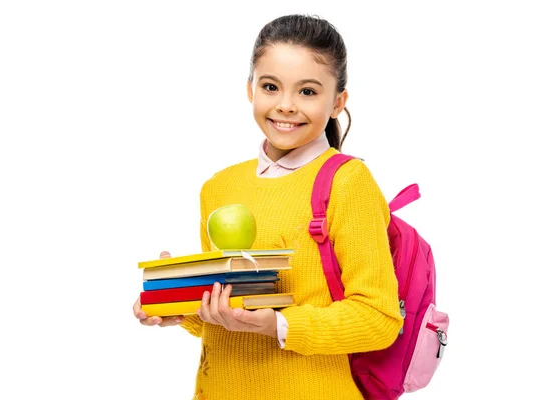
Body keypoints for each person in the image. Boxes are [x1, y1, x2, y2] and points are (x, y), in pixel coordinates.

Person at [133, 14, 403, 400]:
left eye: (308, 92)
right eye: (271, 86)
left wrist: (278, 325)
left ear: (337, 101)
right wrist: (180, 304)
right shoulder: (220, 186)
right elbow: (230, 311)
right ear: (250, 89)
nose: (286, 106)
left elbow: (379, 319)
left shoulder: (347, 181)